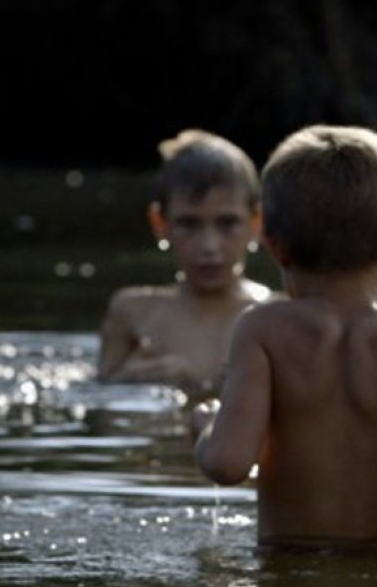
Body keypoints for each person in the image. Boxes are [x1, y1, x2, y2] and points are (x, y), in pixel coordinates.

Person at [190, 124, 377, 546]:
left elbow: (226, 463)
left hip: (285, 580)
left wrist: (206, 426)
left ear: (273, 245)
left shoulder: (262, 329)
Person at [98, 129, 274, 397]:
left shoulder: (276, 316)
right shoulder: (133, 313)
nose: (209, 247)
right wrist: (130, 381)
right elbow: (101, 404)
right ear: (160, 223)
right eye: (189, 224)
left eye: (227, 224)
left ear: (256, 222)